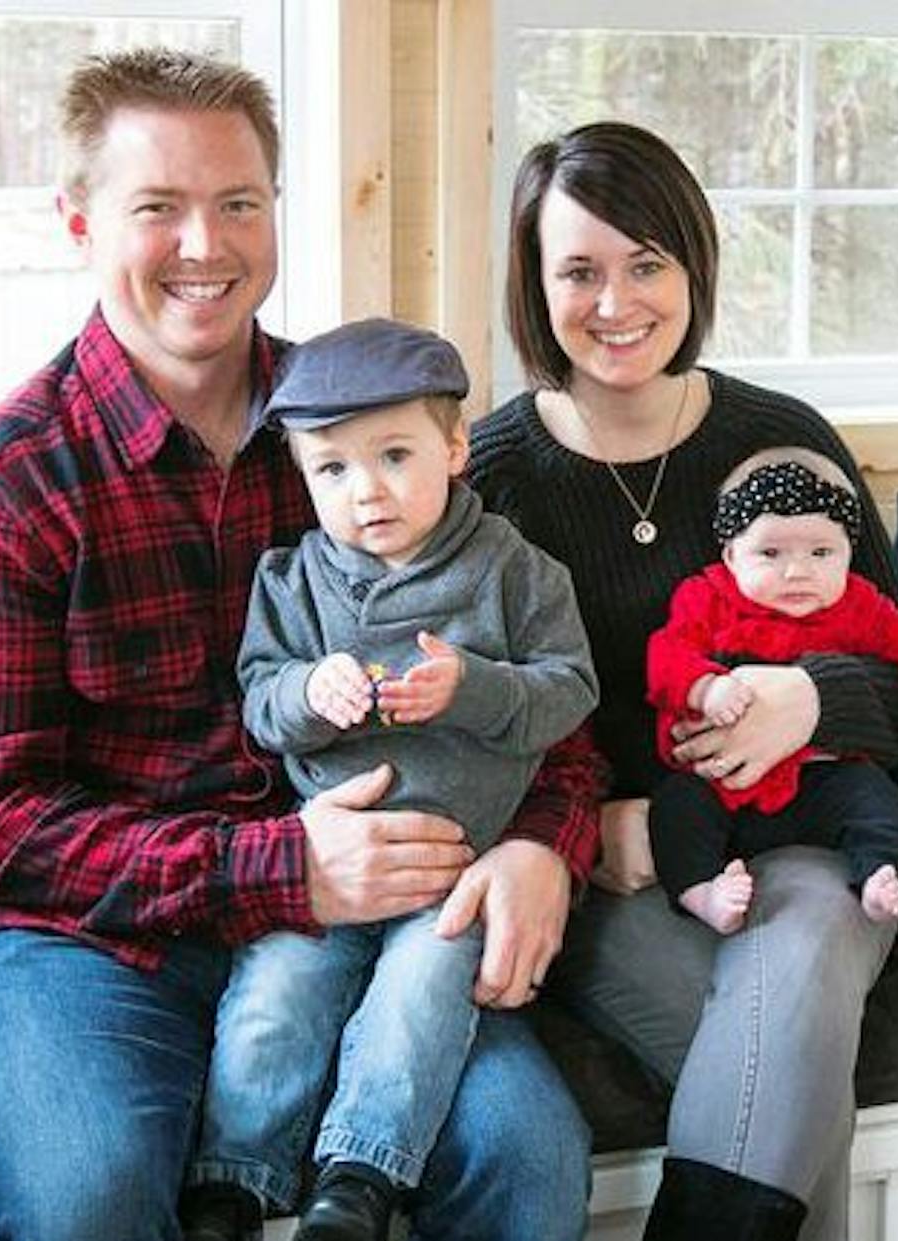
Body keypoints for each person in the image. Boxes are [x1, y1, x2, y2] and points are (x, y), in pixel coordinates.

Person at [0, 49, 599, 1241]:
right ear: (80, 221)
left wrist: (543, 847)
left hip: (372, 914)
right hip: (75, 939)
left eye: (236, 203)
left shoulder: (372, 433)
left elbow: (541, 686)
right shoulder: (5, 483)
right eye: (156, 207)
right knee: (87, 1203)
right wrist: (278, 870)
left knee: (524, 1157)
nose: (203, 244)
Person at [469, 119, 898, 1241]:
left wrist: (813, 698)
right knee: (783, 1068)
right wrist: (593, 829)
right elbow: (475, 725)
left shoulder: (780, 441)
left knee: (802, 958)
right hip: (622, 873)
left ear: (692, 267)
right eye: (577, 270)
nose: (614, 301)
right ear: (536, 288)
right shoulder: (492, 477)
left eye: (646, 263)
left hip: (810, 841)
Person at [186, 317, 598, 1241]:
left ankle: (359, 1178)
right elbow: (258, 697)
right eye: (331, 469)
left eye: (395, 455)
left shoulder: (516, 573)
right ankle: (232, 1180)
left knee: (418, 999)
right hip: (321, 864)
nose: (365, 490)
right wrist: (308, 690)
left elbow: (569, 690)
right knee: (272, 1000)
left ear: (454, 447)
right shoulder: (292, 581)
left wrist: (474, 684)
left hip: (451, 869)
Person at [646, 446, 898, 935]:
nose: (798, 571)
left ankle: (879, 874)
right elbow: (666, 654)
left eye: (821, 553)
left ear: (849, 552)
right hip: (722, 784)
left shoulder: (858, 604)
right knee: (677, 808)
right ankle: (700, 890)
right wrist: (704, 688)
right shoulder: (706, 598)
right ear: (730, 554)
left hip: (822, 780)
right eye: (770, 553)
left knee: (876, 799)